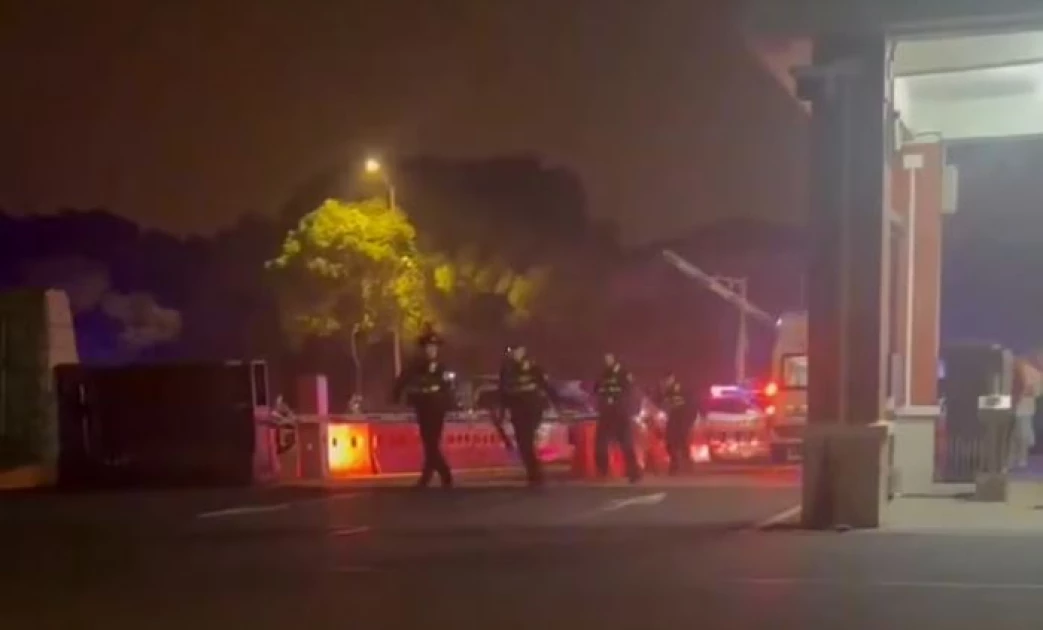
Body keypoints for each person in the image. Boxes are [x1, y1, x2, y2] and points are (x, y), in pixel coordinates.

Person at [392, 330, 455, 488]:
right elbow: (403, 380)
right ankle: (441, 473)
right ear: (424, 349)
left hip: (438, 407)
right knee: (429, 442)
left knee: (432, 442)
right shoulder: (416, 365)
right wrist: (395, 396)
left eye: (434, 347)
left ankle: (434, 475)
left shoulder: (442, 365)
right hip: (423, 406)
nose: (432, 350)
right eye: (429, 347)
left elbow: (448, 386)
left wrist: (451, 402)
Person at [499, 343, 561, 487]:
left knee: (527, 440)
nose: (516, 354)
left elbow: (546, 385)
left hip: (532, 409)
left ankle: (536, 474)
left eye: (518, 351)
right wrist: (502, 412)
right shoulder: (507, 369)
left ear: (523, 351)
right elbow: (503, 392)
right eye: (513, 351)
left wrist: (556, 403)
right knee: (523, 443)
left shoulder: (533, 367)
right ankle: (533, 473)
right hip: (517, 410)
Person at [593, 352, 641, 483]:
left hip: (621, 414)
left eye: (609, 358)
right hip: (606, 413)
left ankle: (634, 473)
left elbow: (630, 392)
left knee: (626, 444)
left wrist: (627, 408)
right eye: (605, 358)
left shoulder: (624, 374)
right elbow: (596, 390)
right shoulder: (604, 374)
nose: (607, 360)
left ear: (615, 359)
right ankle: (602, 470)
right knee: (600, 443)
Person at [655, 371, 695, 475]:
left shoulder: (679, 389)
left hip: (683, 418)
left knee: (681, 441)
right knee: (671, 442)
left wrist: (689, 420)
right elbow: (659, 402)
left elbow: (688, 404)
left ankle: (685, 463)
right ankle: (677, 464)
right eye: (664, 381)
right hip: (674, 418)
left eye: (666, 380)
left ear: (671, 379)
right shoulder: (666, 390)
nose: (665, 382)